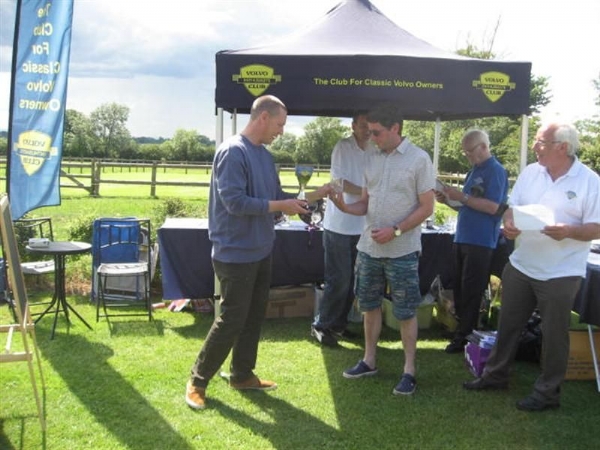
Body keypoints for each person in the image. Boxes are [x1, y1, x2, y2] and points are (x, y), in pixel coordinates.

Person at [185, 95, 330, 410]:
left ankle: (242, 374)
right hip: (234, 251)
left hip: (262, 248)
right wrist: (282, 205)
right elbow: (235, 203)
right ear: (263, 117)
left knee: (253, 315)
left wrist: (312, 196)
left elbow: (277, 197)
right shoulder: (232, 152)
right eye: (279, 124)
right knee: (232, 318)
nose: (281, 131)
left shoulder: (264, 157)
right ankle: (197, 380)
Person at [463, 123, 600, 412]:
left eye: (541, 142)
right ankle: (495, 376)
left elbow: (596, 227)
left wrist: (569, 231)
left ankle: (547, 393)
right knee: (507, 325)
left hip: (561, 272)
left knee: (554, 335)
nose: (534, 146)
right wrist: (509, 224)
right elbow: (512, 208)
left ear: (562, 147)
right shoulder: (530, 172)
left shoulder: (589, 181)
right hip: (521, 265)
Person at [330, 104, 435, 395]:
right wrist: (345, 207)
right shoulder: (372, 158)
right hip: (369, 249)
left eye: (376, 132)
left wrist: (396, 230)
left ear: (395, 129)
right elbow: (365, 203)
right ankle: (369, 360)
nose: (371, 137)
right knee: (369, 305)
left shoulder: (419, 159)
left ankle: (409, 370)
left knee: (405, 310)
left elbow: (427, 207)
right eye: (369, 132)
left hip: (402, 250)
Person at [434, 129, 508, 353]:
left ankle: (465, 335)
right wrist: (447, 200)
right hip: (463, 236)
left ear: (484, 147)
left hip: (481, 240)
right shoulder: (473, 171)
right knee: (459, 287)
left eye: (469, 151)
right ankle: (461, 329)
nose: (467, 156)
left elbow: (494, 207)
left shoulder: (496, 171)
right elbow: (466, 206)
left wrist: (462, 197)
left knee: (471, 290)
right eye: (465, 152)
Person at [311, 112, 377, 347]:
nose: (367, 130)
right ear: (353, 126)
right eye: (362, 126)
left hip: (363, 224)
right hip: (339, 225)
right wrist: (367, 192)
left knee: (353, 281)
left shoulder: (375, 148)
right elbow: (338, 183)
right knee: (338, 279)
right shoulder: (342, 147)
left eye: (369, 126)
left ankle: (338, 324)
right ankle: (321, 325)